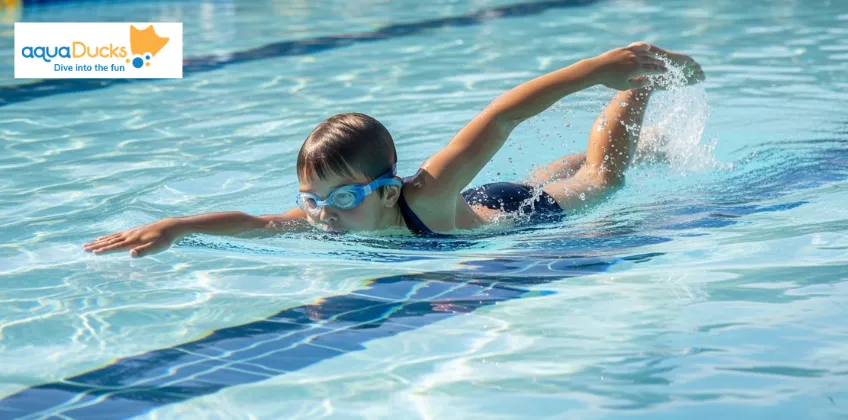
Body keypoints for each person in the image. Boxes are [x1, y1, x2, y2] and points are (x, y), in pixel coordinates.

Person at [83, 42, 704, 258]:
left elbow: (502, 115)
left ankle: (638, 82)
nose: (319, 212)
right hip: (477, 208)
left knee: (601, 179)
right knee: (548, 170)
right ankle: (631, 138)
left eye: (338, 197)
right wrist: (176, 226)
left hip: (513, 214)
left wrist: (595, 70)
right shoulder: (332, 216)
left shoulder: (425, 191)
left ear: (385, 190)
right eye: (311, 199)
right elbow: (255, 223)